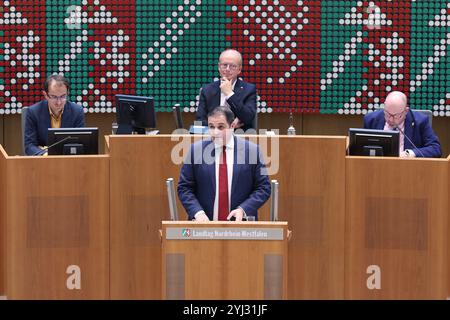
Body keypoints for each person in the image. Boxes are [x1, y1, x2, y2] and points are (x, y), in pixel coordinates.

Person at [178, 106, 270, 222]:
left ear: (232, 126)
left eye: (221, 127)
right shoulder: (195, 151)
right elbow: (184, 188)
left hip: (241, 227)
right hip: (203, 227)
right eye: (211, 127)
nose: (215, 132)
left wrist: (243, 209)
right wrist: (197, 212)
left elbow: (263, 188)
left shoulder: (252, 151)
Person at [363, 91, 441, 158]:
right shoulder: (371, 119)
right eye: (387, 114)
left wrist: (410, 153)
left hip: (408, 168)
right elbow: (361, 149)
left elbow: (435, 149)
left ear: (406, 111)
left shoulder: (420, 121)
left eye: (395, 116)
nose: (390, 119)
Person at [196, 49, 257, 131]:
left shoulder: (249, 89)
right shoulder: (207, 90)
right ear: (219, 67)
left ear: (239, 69)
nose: (227, 69)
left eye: (232, 66)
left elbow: (248, 117)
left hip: (239, 136)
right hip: (212, 136)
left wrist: (229, 94)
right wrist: (219, 127)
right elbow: (200, 121)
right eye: (224, 65)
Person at [24, 74, 85, 156]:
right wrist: (45, 155)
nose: (59, 102)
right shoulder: (33, 112)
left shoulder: (77, 111)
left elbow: (81, 144)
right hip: (43, 162)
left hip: (69, 161)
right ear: (45, 95)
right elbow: (29, 145)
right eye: (54, 97)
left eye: (63, 96)